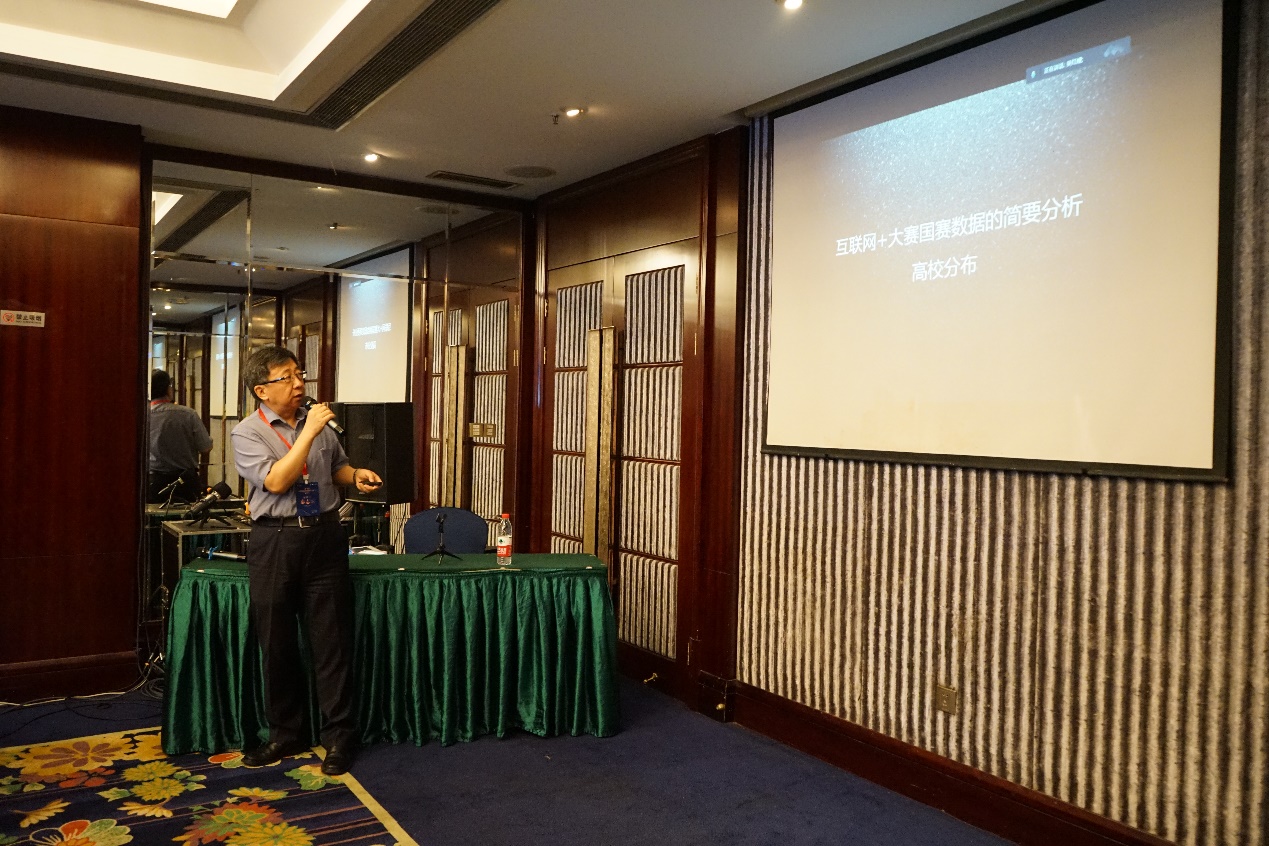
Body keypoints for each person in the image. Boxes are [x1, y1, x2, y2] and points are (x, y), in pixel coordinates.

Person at [231, 345, 383, 776]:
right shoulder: (247, 433)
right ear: (262, 390)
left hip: (325, 537)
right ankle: (285, 733)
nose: (299, 384)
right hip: (275, 541)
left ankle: (339, 737)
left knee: (332, 642)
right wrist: (309, 432)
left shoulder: (318, 424)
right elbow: (277, 481)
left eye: (300, 374)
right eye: (287, 377)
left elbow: (336, 469)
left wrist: (355, 476)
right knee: (277, 642)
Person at [148, 369, 212, 503]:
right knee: (188, 515)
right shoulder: (188, 414)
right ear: (169, 390)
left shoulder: (142, 416)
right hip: (186, 483)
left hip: (152, 483)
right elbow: (205, 447)